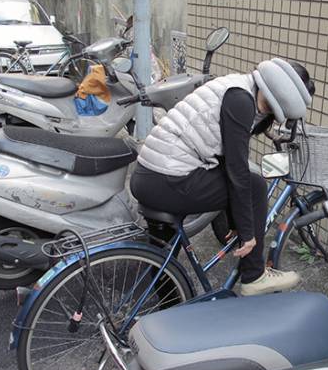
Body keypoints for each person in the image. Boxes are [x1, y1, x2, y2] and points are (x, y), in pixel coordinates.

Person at [130, 58, 315, 296]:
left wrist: (235, 219)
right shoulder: (241, 101)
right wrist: (247, 234)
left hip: (149, 175)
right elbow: (236, 172)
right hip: (169, 178)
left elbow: (221, 157)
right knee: (255, 185)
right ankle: (254, 275)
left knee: (162, 253)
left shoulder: (237, 86)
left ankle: (168, 309)